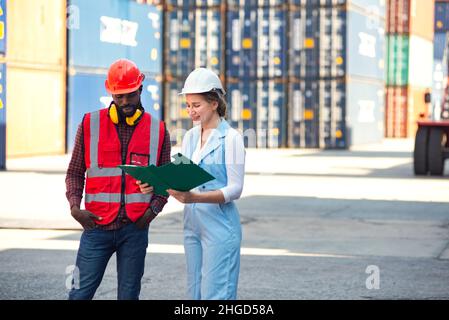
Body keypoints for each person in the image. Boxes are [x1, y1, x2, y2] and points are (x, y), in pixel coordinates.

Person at [65, 58, 171, 300]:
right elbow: (74, 171)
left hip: (135, 228)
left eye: (130, 95)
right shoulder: (90, 124)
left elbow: (164, 181)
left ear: (140, 89)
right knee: (79, 294)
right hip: (96, 227)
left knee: (128, 295)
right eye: (118, 96)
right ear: (110, 93)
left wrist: (151, 213)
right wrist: (74, 208)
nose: (124, 102)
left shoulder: (159, 130)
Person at [138, 68, 245, 300]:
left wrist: (195, 197)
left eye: (196, 105)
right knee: (194, 293)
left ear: (214, 102)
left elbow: (235, 189)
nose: (190, 111)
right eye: (188, 105)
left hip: (220, 226)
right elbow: (182, 179)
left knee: (216, 294)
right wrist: (155, 184)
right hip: (192, 225)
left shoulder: (232, 139)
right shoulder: (190, 137)